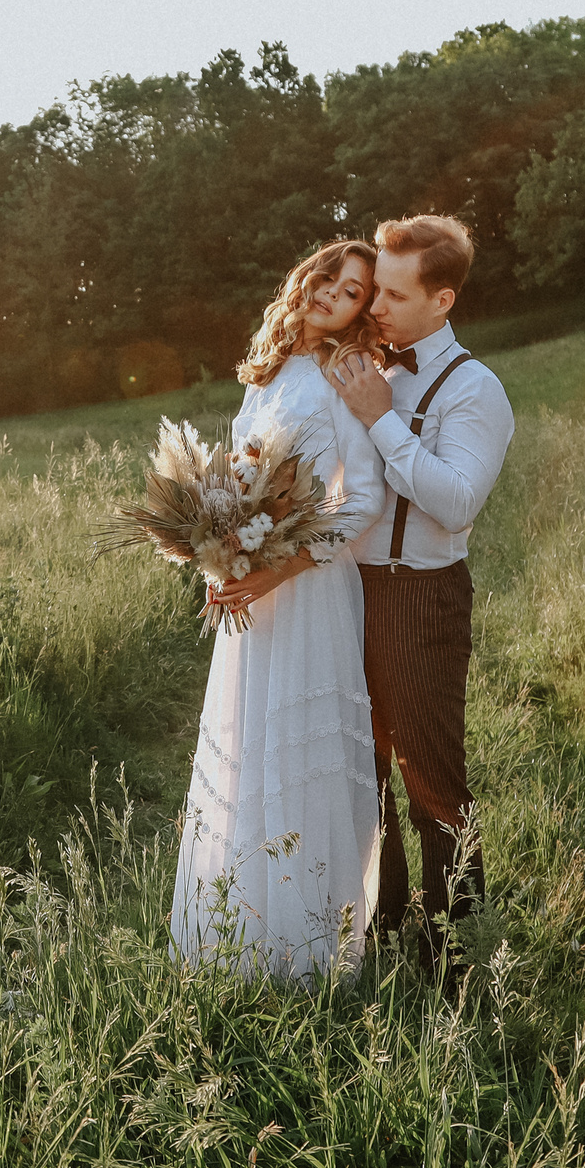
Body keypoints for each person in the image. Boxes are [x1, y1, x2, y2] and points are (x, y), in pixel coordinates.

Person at [169, 239, 391, 980]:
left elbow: (360, 497)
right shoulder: (266, 372)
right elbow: (242, 481)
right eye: (332, 276)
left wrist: (281, 569)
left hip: (307, 593)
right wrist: (221, 559)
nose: (335, 292)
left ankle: (305, 954)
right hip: (254, 591)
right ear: (308, 277)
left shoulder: (343, 374)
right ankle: (239, 939)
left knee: (298, 756)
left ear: (362, 311)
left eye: (356, 291)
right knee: (249, 750)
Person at [326, 214, 514, 962]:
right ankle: (384, 924)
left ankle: (456, 948)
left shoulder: (476, 389)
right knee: (359, 771)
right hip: (345, 593)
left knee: (432, 782)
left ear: (443, 301)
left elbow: (458, 499)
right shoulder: (362, 361)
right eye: (376, 291)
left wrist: (380, 420)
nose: (377, 307)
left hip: (419, 596)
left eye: (395, 296)